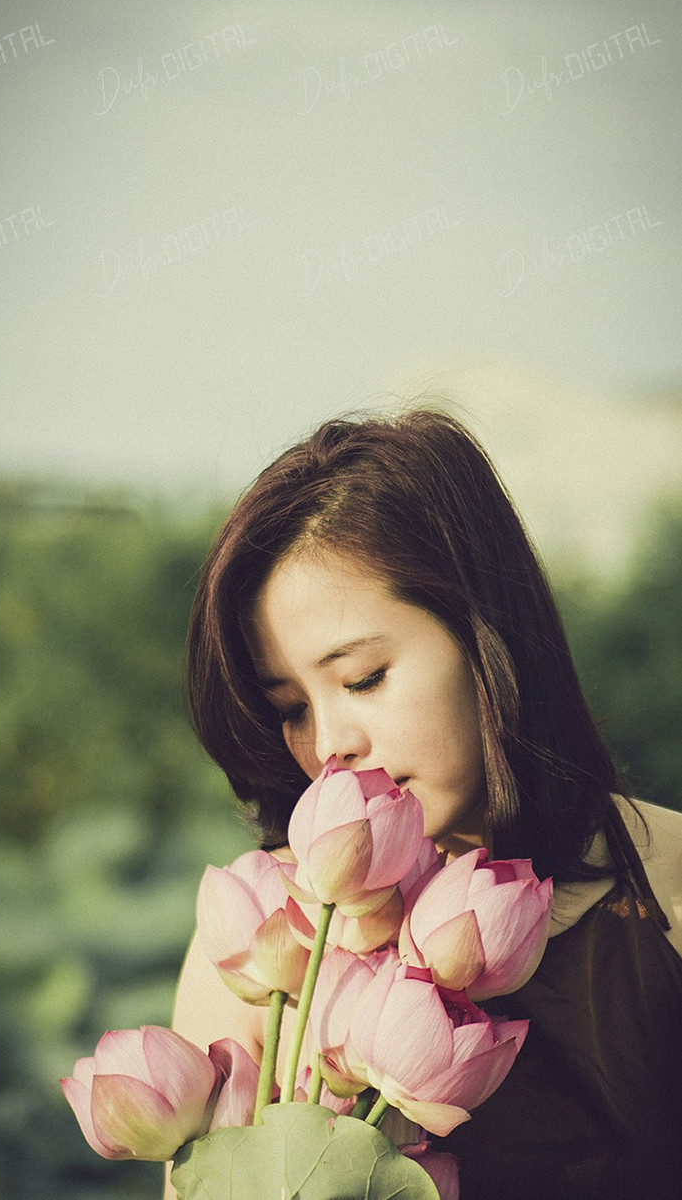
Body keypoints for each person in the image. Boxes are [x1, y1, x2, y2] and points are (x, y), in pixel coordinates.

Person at [165, 409, 682, 1200]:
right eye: (290, 707)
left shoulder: (668, 884)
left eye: (363, 676)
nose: (327, 743)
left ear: (486, 635)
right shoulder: (259, 934)